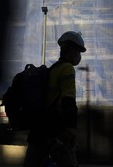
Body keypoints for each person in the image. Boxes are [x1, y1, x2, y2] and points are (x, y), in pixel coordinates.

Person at [23, 31, 86, 167]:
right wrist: (71, 126)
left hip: (39, 130)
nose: (78, 55)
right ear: (70, 49)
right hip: (56, 131)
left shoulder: (52, 69)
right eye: (78, 51)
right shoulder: (67, 68)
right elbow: (68, 100)